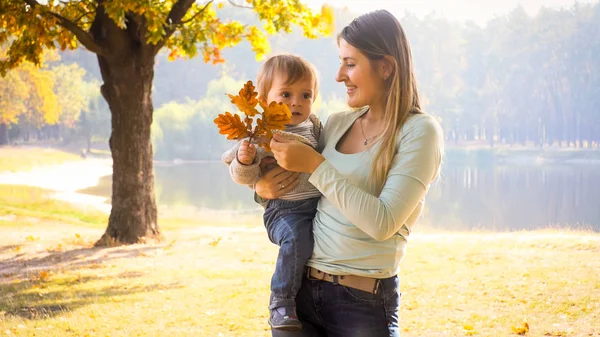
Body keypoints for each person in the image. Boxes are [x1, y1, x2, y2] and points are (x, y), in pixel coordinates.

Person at [254, 9, 445, 337]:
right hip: (302, 293)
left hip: (362, 303)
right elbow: (303, 189)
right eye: (341, 62)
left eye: (350, 63)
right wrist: (263, 190)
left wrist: (315, 164)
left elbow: (383, 222)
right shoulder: (337, 123)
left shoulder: (419, 131)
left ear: (385, 67)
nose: (340, 75)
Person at [221, 54, 323, 331]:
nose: (296, 102)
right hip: (284, 210)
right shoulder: (263, 135)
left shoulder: (315, 126)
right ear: (265, 100)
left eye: (306, 95)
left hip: (316, 205)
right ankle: (281, 301)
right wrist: (244, 159)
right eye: (286, 94)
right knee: (297, 239)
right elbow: (242, 175)